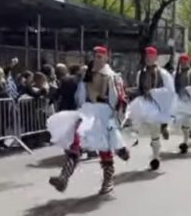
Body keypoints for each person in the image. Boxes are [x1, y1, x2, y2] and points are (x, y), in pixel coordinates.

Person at [47, 46, 129, 195]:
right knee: (76, 141)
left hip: (104, 113)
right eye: (95, 55)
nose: (96, 59)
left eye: (100, 56)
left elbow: (117, 99)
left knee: (104, 147)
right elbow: (81, 94)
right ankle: (63, 177)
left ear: (106, 58)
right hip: (88, 111)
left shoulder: (112, 76)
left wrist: (115, 117)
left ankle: (108, 179)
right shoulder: (87, 74)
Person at [126, 46, 176, 170]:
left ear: (155, 57)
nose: (148, 58)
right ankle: (160, 133)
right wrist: (127, 91)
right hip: (144, 104)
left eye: (150, 56)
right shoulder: (140, 73)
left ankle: (155, 157)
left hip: (158, 105)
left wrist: (154, 92)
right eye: (146, 56)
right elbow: (139, 89)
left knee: (154, 130)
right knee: (146, 127)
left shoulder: (163, 73)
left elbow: (170, 91)